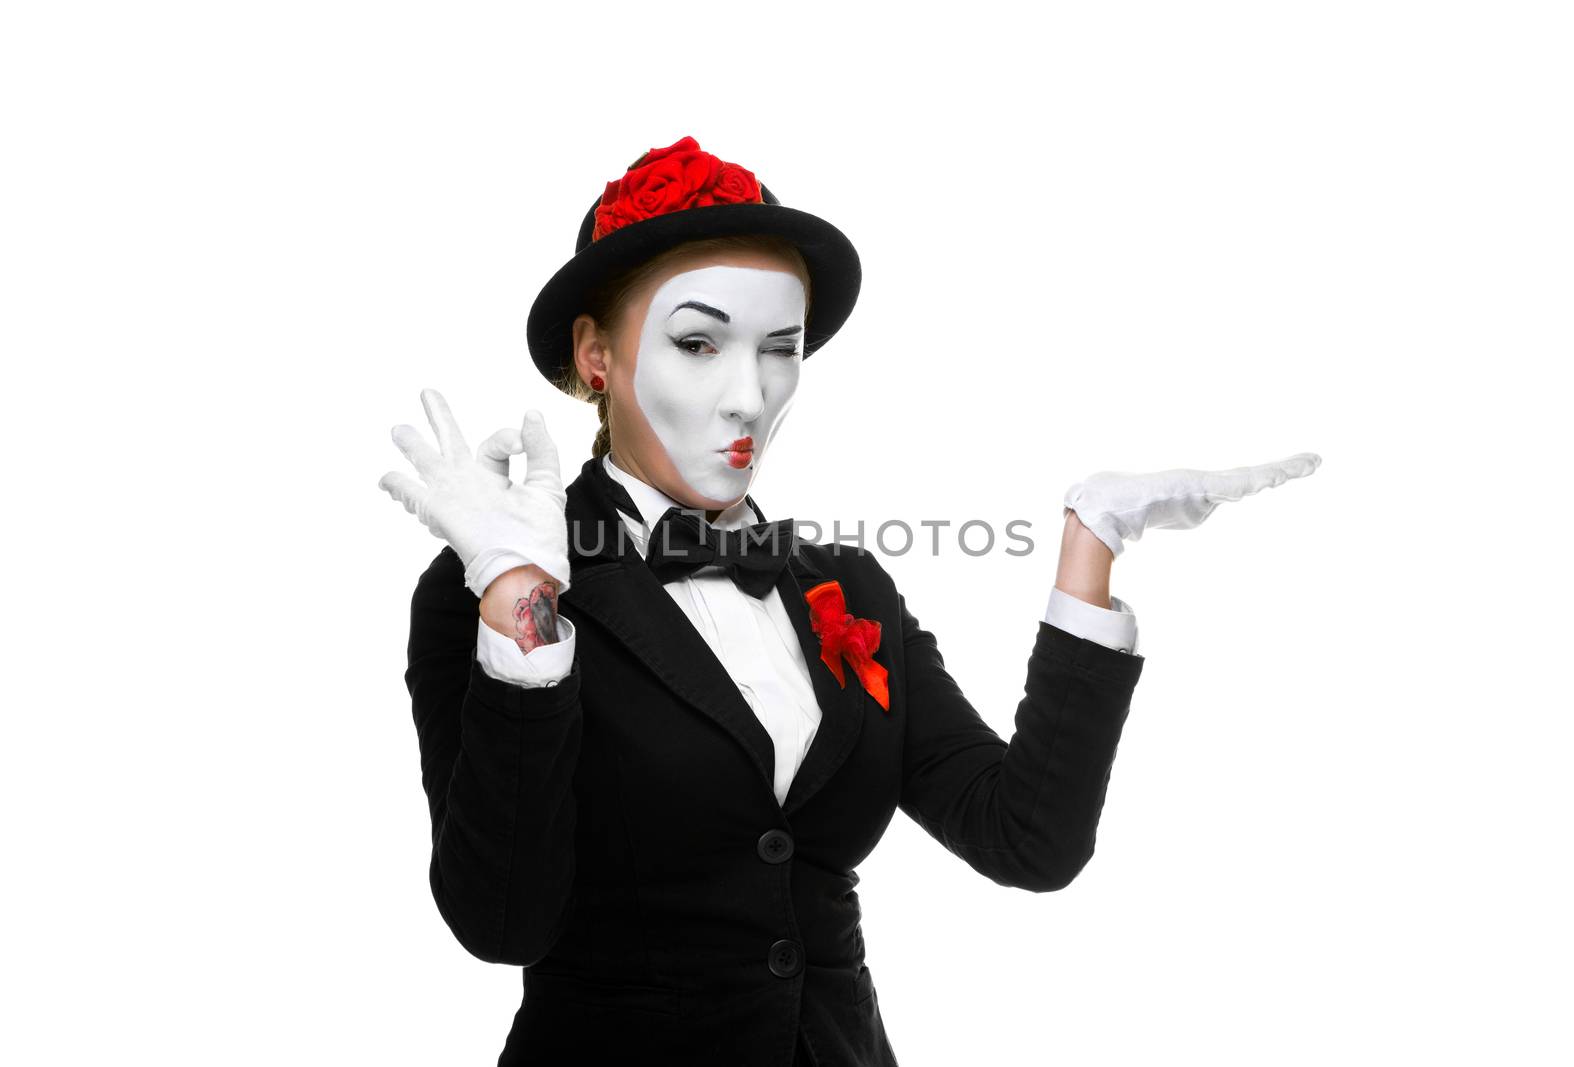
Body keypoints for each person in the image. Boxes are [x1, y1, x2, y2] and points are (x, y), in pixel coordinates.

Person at [378, 135, 1321, 1066]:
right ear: (596, 355)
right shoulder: (490, 594)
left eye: (778, 348)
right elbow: (502, 921)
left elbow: (1028, 839)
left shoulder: (845, 586)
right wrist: (520, 603)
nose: (749, 396)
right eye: (699, 343)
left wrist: (1090, 550)